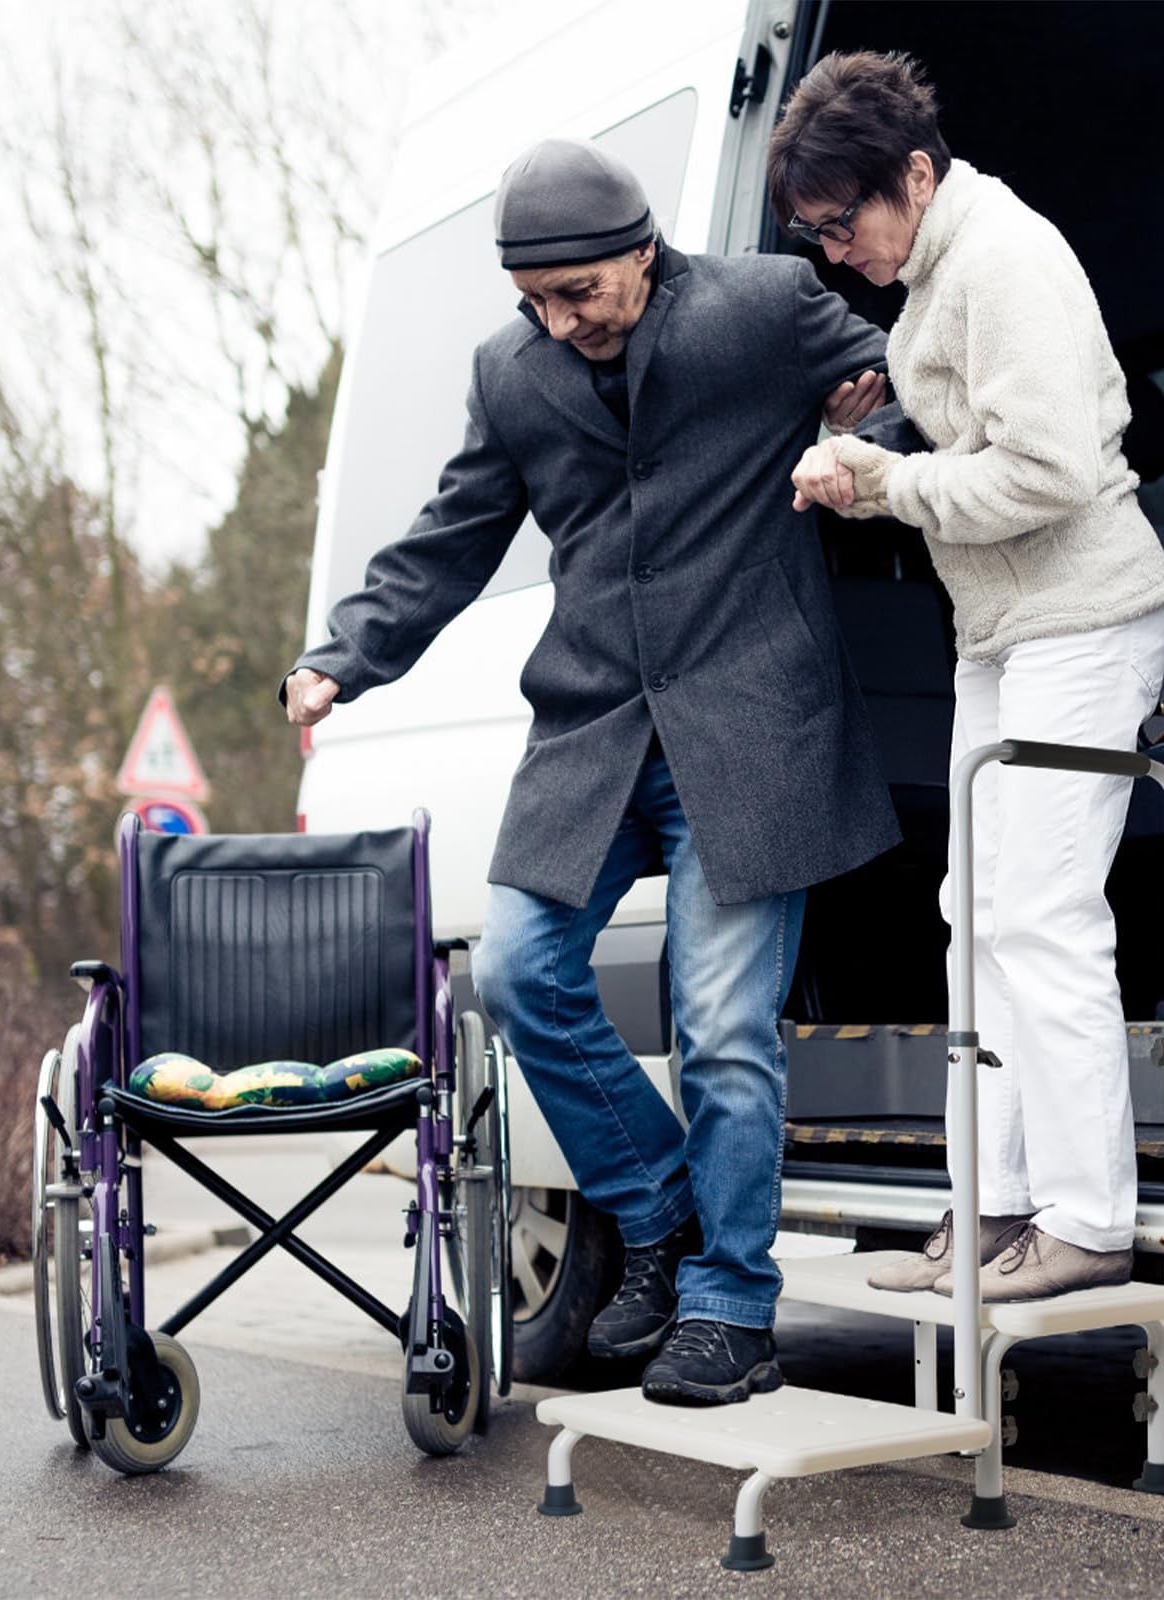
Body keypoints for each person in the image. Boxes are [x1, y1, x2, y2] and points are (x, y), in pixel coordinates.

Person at [282, 138, 911, 1401]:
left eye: (581, 294)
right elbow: (453, 535)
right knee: (518, 972)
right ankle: (660, 1210)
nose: (560, 323)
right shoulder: (511, 374)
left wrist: (868, 421)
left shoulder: (758, 307)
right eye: (536, 302)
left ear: (641, 251)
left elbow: (901, 385)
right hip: (591, 734)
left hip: (750, 727)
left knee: (725, 1026)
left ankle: (732, 1307)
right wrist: (341, 655)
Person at [770, 52, 1164, 1301]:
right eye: (815, 236)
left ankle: (1087, 1219)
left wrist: (886, 484)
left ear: (914, 172)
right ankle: (989, 1209)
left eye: (847, 223)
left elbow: (1049, 471)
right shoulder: (933, 277)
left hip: (1083, 618)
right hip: (1002, 634)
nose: (839, 254)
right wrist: (871, 443)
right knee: (974, 916)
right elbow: (972, 443)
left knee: (1046, 918)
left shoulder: (1001, 259)